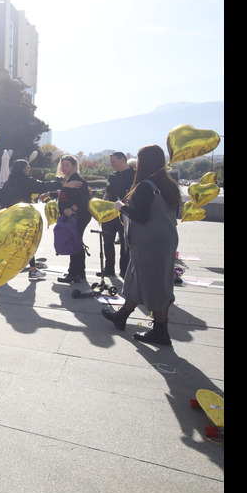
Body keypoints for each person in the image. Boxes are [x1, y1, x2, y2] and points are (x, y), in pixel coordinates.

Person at [102, 145, 181, 345]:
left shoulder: (145, 186)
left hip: (149, 241)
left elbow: (142, 217)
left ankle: (161, 332)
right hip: (166, 238)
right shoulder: (169, 184)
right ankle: (122, 315)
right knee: (136, 277)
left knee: (156, 285)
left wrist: (122, 208)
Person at [0, 159, 79, 279]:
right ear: (22, 169)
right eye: (27, 168)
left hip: (8, 216)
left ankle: (3, 268)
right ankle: (33, 270)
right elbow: (43, 186)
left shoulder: (9, 182)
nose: (29, 170)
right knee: (29, 242)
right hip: (23, 216)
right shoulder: (25, 181)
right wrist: (63, 184)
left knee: (11, 242)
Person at [56, 155, 91, 283]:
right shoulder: (68, 179)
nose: (64, 167)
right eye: (62, 165)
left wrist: (72, 209)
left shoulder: (77, 179)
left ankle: (73, 273)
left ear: (74, 166)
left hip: (78, 216)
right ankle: (80, 272)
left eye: (67, 165)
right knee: (77, 242)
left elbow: (84, 198)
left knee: (74, 242)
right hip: (71, 215)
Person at [100, 152, 135, 277]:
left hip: (125, 214)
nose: (111, 164)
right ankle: (109, 268)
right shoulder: (112, 176)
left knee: (125, 243)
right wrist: (102, 209)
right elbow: (107, 193)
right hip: (110, 213)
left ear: (123, 160)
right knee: (107, 241)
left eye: (113, 161)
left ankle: (124, 270)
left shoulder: (134, 175)